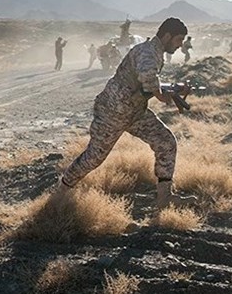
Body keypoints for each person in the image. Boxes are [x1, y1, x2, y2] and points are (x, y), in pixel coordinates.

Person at [54, 17, 197, 211]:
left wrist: (174, 88)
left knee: (166, 142)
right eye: (178, 40)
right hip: (112, 111)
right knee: (94, 156)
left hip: (134, 112)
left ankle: (164, 197)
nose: (180, 45)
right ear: (167, 36)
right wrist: (163, 95)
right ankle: (62, 190)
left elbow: (144, 81)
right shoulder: (148, 51)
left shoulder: (154, 51)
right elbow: (148, 77)